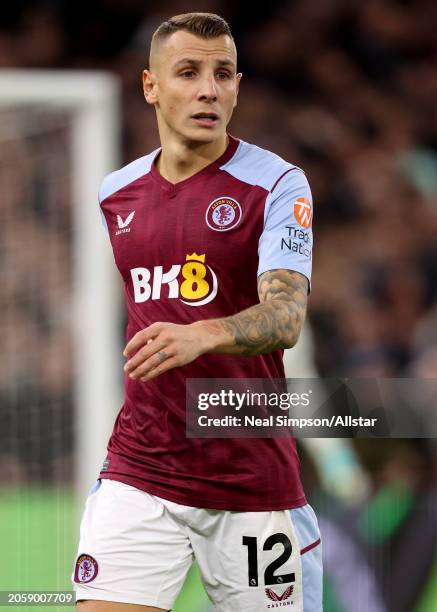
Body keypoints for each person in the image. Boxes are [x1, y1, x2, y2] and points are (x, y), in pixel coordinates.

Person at [72, 12, 322, 612]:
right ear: (151, 86)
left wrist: (204, 334)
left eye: (224, 74)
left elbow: (285, 318)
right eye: (188, 72)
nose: (209, 89)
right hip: (142, 469)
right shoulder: (116, 194)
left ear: (237, 86)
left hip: (249, 480)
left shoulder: (276, 185)